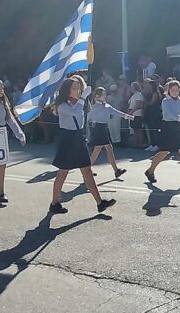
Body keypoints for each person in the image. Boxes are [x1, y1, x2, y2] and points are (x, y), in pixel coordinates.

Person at [48, 76, 116, 215]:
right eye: (74, 88)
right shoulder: (62, 106)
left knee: (87, 171)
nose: (78, 90)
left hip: (78, 138)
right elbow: (74, 112)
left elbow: (81, 119)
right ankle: (54, 203)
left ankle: (99, 202)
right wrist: (83, 98)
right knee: (62, 173)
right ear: (67, 91)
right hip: (67, 139)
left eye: (79, 87)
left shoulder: (79, 103)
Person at [144, 80, 180, 184]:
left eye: (177, 90)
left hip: (177, 128)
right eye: (173, 90)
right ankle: (150, 170)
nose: (175, 92)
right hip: (167, 128)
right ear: (169, 90)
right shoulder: (165, 101)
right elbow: (168, 114)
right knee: (163, 152)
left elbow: (179, 113)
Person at [88, 87, 135, 178]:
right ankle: (88, 170)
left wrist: (128, 116)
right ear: (97, 96)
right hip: (97, 128)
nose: (105, 96)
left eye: (105, 94)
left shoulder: (107, 106)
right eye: (103, 94)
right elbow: (88, 118)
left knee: (103, 149)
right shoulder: (95, 107)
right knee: (102, 149)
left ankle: (115, 170)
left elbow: (116, 112)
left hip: (104, 128)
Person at [128, 80, 145, 149]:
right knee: (135, 129)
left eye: (132, 87)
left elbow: (139, 105)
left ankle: (140, 143)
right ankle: (135, 143)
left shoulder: (139, 94)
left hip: (137, 114)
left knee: (138, 129)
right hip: (133, 114)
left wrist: (131, 111)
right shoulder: (133, 95)